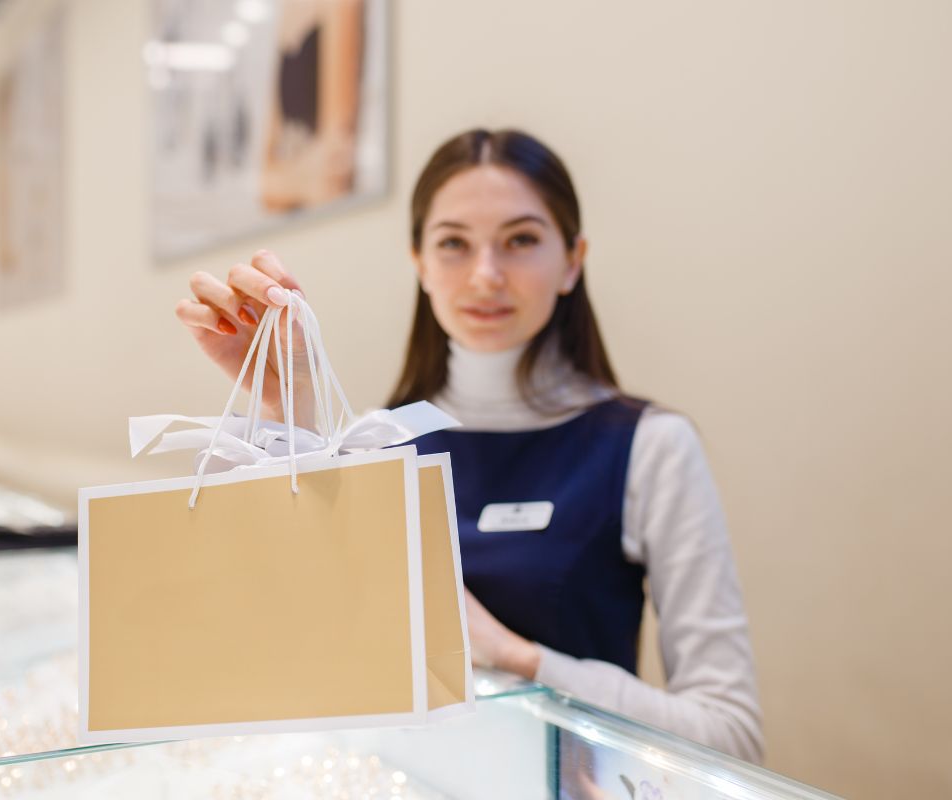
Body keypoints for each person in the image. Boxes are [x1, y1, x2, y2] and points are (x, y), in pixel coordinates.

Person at [176, 128, 764, 763]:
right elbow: (296, 664)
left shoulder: (651, 447)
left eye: (521, 241)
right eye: (454, 244)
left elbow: (730, 734)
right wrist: (284, 405)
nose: (486, 276)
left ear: (572, 260)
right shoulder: (375, 443)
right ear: (420, 264)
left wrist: (514, 655)